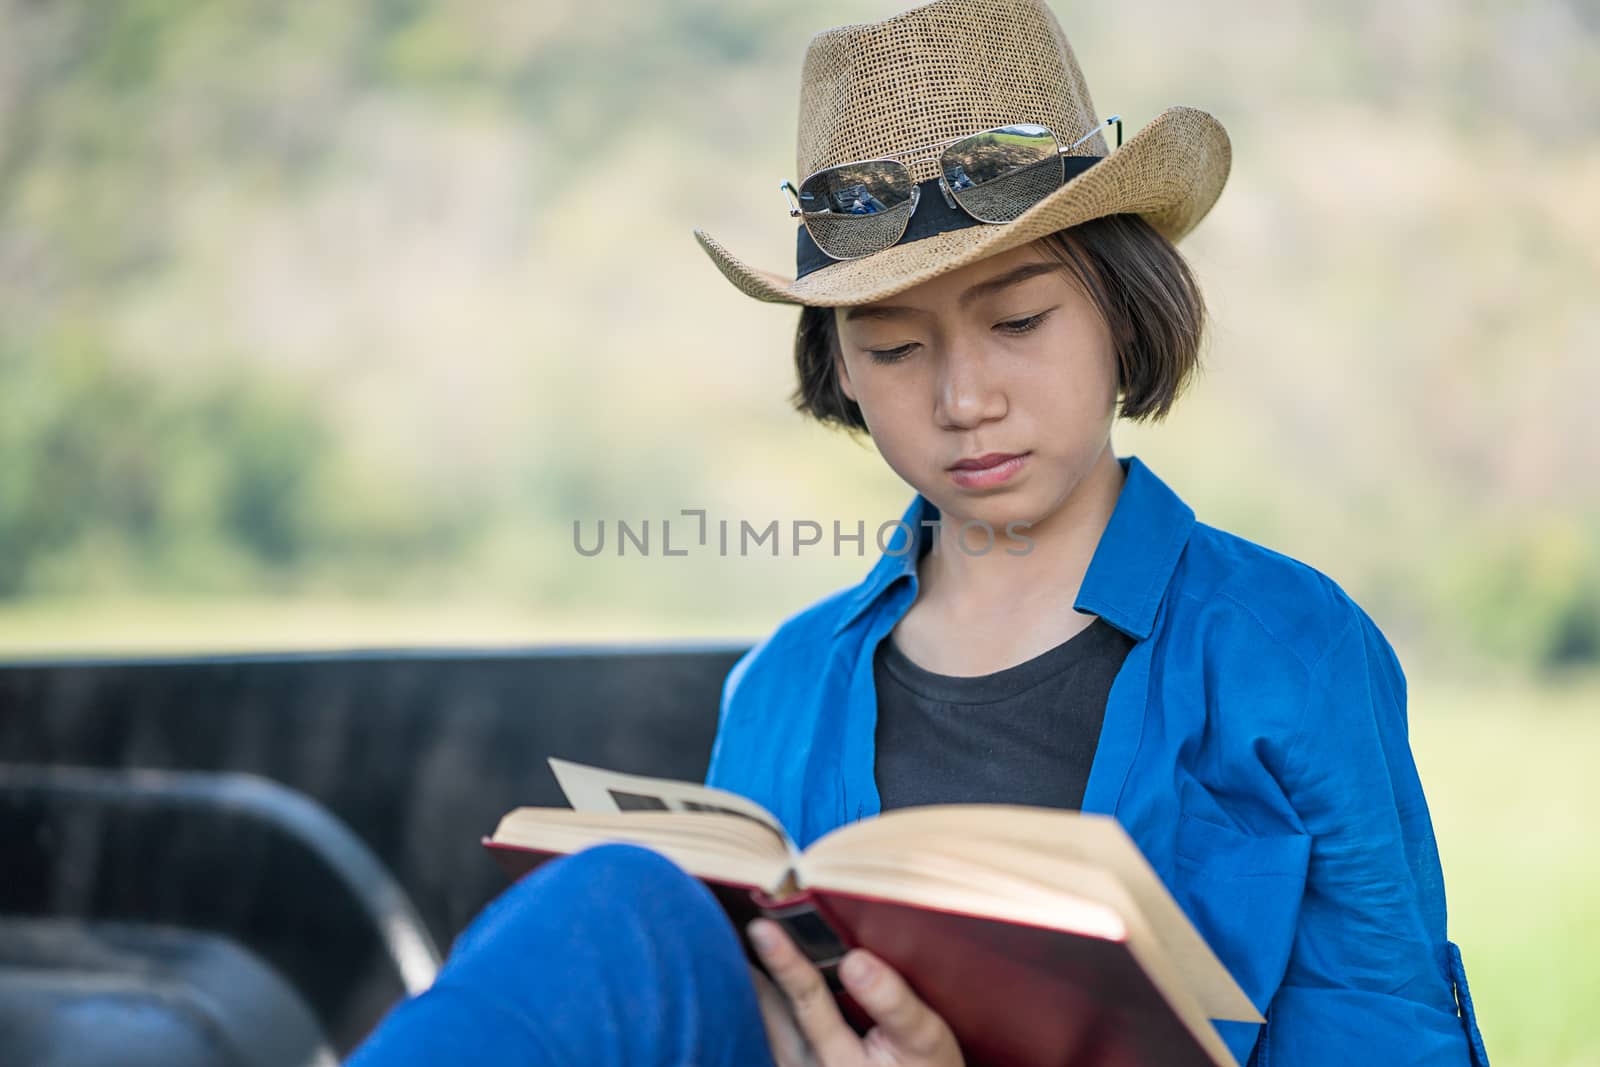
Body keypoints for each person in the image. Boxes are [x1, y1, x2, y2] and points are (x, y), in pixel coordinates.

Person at [350, 0, 1490, 1063]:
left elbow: (1385, 1029)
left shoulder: (1289, 649)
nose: (962, 398)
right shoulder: (783, 683)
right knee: (616, 900)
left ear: (1123, 310)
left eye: (1020, 320)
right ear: (837, 365)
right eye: (893, 347)